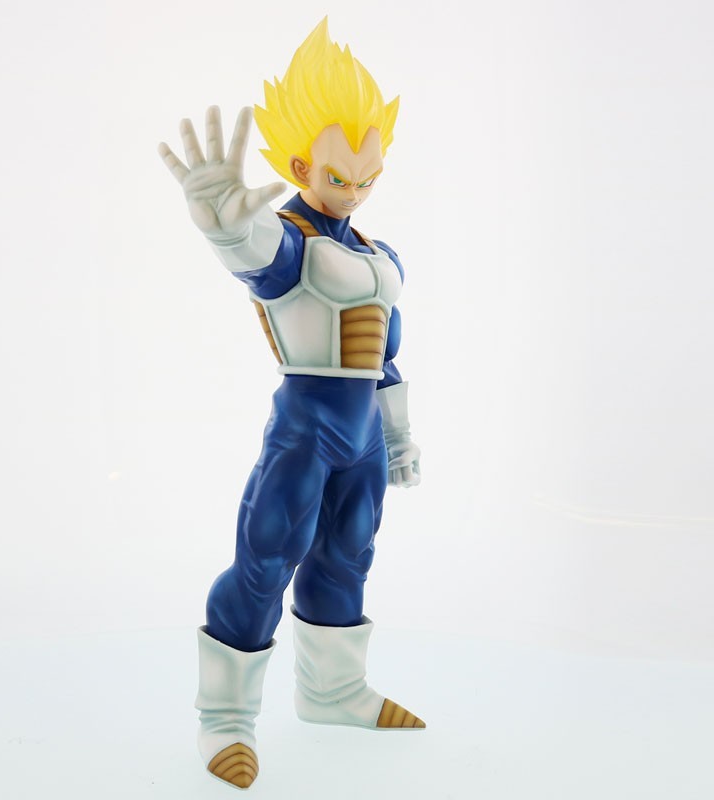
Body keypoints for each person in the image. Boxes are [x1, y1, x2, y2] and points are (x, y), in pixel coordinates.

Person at [159, 18, 423, 790]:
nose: (357, 188)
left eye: (370, 174)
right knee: (268, 553)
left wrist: (400, 436)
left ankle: (332, 690)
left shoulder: (377, 254)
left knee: (349, 552)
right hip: (306, 424)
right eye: (341, 175)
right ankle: (224, 719)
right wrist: (226, 225)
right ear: (301, 164)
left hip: (362, 428)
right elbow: (259, 258)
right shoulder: (292, 240)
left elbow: (386, 356)